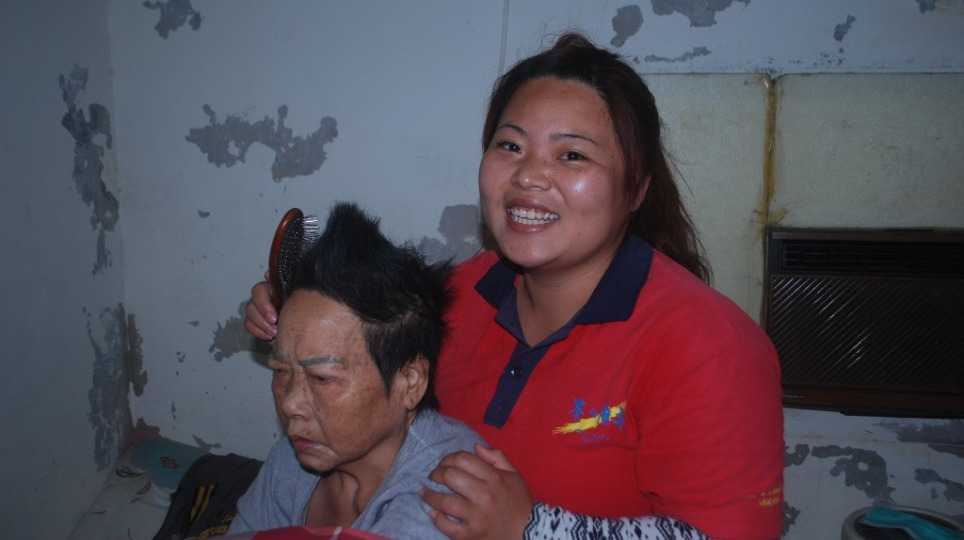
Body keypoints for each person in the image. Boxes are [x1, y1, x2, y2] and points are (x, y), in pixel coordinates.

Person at [245, 33, 784, 540]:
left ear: (636, 190)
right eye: (510, 145)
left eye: (571, 155)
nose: (528, 175)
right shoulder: (458, 297)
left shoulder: (709, 345)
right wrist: (297, 314)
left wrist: (531, 527)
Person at [230, 202, 485, 538]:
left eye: (322, 378)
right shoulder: (291, 461)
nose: (290, 404)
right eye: (281, 371)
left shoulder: (446, 496)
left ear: (410, 382)